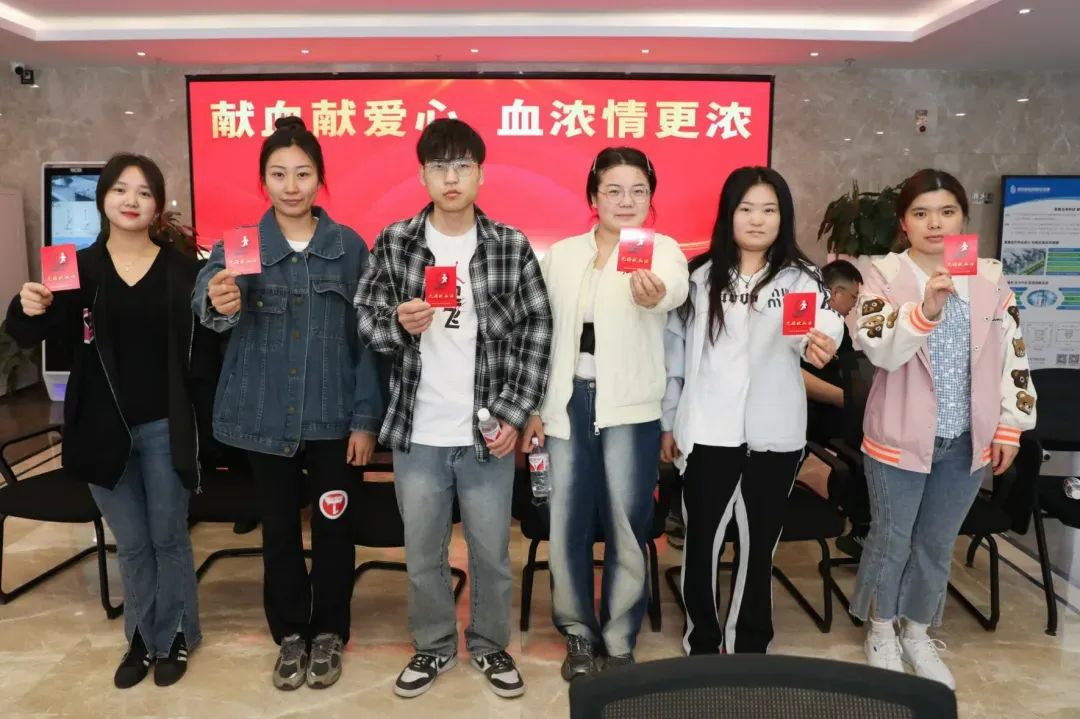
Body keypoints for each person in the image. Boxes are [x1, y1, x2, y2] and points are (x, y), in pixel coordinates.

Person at [353, 118, 552, 700]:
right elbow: (365, 318)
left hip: (487, 432)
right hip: (418, 431)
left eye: (463, 165)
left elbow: (538, 328)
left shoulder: (510, 245)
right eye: (439, 166)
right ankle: (434, 645)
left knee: (491, 554)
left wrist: (513, 413)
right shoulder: (396, 241)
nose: (451, 177)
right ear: (423, 175)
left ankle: (489, 645)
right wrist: (398, 323)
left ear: (480, 174)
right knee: (422, 554)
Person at [7, 153, 213, 688]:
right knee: (134, 541)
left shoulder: (182, 270)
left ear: (158, 205)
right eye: (121, 189)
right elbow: (29, 333)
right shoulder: (75, 269)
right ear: (102, 198)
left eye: (144, 192)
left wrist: (225, 307)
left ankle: (176, 635)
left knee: (169, 536)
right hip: (102, 428)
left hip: (167, 426)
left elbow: (210, 342)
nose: (131, 200)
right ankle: (141, 637)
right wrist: (27, 305)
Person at [193, 117, 383, 691]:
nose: (291, 186)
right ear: (263, 182)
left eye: (303, 174)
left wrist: (365, 420)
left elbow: (367, 340)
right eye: (278, 174)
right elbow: (207, 297)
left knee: (334, 528)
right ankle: (291, 634)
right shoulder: (240, 246)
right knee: (277, 532)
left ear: (321, 179)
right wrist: (217, 298)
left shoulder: (349, 248)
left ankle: (329, 631)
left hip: (333, 420)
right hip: (263, 418)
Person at [849, 169, 1036, 689]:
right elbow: (878, 347)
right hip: (899, 437)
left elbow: (1014, 353)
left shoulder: (989, 278)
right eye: (922, 213)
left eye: (947, 211)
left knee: (936, 542)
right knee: (891, 539)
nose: (935, 223)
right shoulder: (883, 274)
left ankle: (917, 630)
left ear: (963, 219)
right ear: (904, 223)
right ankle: (880, 628)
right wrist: (925, 309)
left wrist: (1010, 425)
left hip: (967, 439)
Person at [520, 146, 688, 680]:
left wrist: (655, 295)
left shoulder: (662, 251)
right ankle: (577, 632)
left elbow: (673, 292)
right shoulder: (563, 255)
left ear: (651, 198)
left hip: (630, 408)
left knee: (627, 523)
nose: (626, 200)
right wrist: (536, 408)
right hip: (566, 402)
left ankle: (618, 638)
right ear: (594, 197)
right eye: (613, 190)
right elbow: (540, 333)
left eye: (638, 191)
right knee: (565, 520)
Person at [661, 166, 844, 655]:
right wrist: (668, 420)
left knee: (759, 545)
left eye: (769, 210)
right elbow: (676, 358)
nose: (758, 220)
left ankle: (749, 645)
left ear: (783, 217)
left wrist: (824, 342)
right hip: (708, 432)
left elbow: (823, 325)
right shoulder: (698, 277)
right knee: (702, 543)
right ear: (729, 213)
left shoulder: (801, 277)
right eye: (747, 209)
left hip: (774, 434)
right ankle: (702, 642)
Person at [802, 258, 862, 444]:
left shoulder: (840, 327)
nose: (854, 305)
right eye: (853, 297)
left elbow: (851, 367)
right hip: (812, 413)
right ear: (836, 293)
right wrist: (844, 399)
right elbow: (791, 373)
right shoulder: (801, 321)